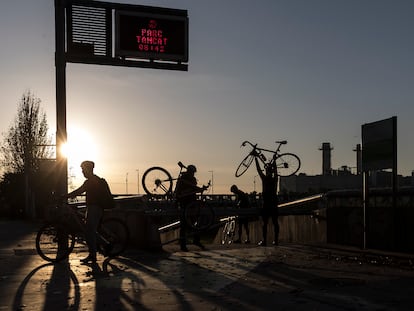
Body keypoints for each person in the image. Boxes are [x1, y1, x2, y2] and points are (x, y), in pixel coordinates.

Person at [65, 160, 107, 263]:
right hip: (92, 208)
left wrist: (65, 196)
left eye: (83, 170)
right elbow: (80, 191)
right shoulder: (92, 180)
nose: (82, 172)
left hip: (95, 208)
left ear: (89, 169)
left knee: (89, 232)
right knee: (89, 231)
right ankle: (104, 245)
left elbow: (79, 191)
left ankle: (93, 255)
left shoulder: (92, 181)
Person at [175, 164, 208, 252]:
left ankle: (187, 243)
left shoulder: (182, 178)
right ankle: (191, 242)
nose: (193, 174)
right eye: (193, 172)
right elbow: (192, 188)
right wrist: (199, 189)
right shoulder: (187, 179)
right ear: (191, 172)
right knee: (190, 223)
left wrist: (199, 189)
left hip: (187, 203)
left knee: (188, 223)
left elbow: (190, 189)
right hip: (187, 203)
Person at [255, 157, 279, 246]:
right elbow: (276, 171)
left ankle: (264, 240)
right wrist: (275, 161)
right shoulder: (275, 179)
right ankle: (276, 240)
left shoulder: (264, 179)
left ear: (266, 171)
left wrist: (256, 158)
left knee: (265, 223)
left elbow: (258, 169)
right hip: (274, 204)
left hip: (266, 204)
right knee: (275, 222)